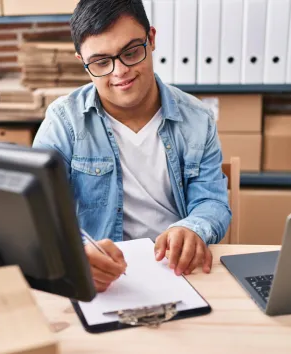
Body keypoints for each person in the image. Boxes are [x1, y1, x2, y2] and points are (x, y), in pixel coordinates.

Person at [32, 0, 231, 292]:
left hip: (176, 271)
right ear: (83, 63)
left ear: (151, 39)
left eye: (131, 52)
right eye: (101, 62)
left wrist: (192, 228)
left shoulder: (197, 119)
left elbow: (212, 202)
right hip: (100, 277)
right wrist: (73, 253)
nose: (120, 72)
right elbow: (39, 210)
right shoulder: (64, 121)